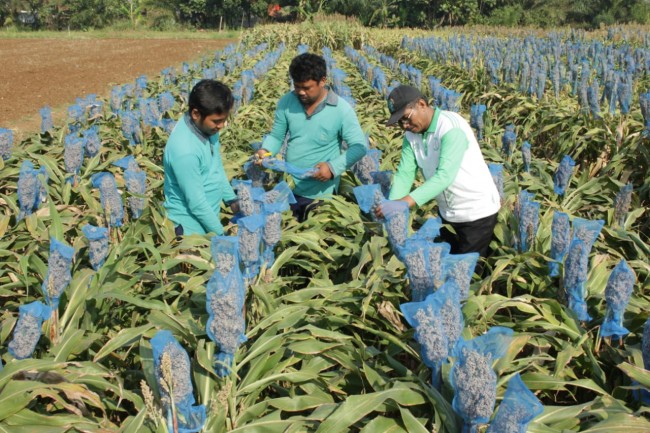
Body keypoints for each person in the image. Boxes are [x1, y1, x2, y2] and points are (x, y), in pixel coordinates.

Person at [377, 85, 500, 258]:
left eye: (406, 118)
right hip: (448, 214)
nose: (404, 125)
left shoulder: (450, 127)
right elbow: (405, 174)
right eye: (399, 122)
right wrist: (392, 206)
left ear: (421, 104)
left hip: (476, 214)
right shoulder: (411, 136)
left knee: (467, 277)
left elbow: (444, 177)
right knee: (447, 270)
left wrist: (404, 203)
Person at [255, 53, 367, 222]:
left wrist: (332, 168)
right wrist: (265, 150)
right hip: (289, 187)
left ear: (322, 81)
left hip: (322, 194)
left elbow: (359, 146)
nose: (300, 92)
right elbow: (277, 137)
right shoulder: (287, 102)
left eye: (307, 87)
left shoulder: (341, 109)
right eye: (296, 86)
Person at [163, 79, 239, 236]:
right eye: (217, 121)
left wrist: (232, 200)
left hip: (208, 220)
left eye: (224, 120)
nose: (222, 126)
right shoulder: (185, 151)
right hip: (191, 231)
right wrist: (220, 234)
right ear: (196, 114)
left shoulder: (206, 129)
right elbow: (196, 203)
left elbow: (216, 167)